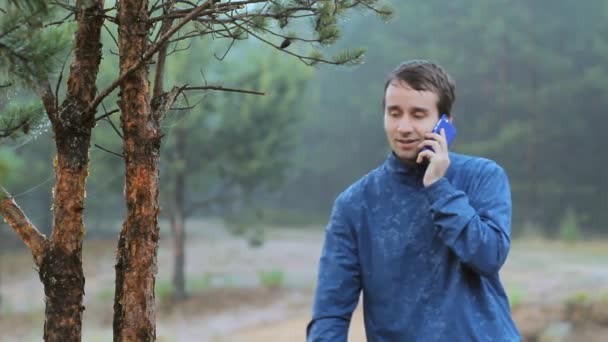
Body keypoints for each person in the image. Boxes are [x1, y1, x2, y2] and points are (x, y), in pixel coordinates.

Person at [307, 60, 521, 341]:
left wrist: (438, 187)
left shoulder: (483, 177)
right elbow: (330, 310)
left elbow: (489, 256)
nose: (403, 127)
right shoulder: (355, 204)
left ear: (446, 123)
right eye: (394, 113)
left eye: (418, 114)